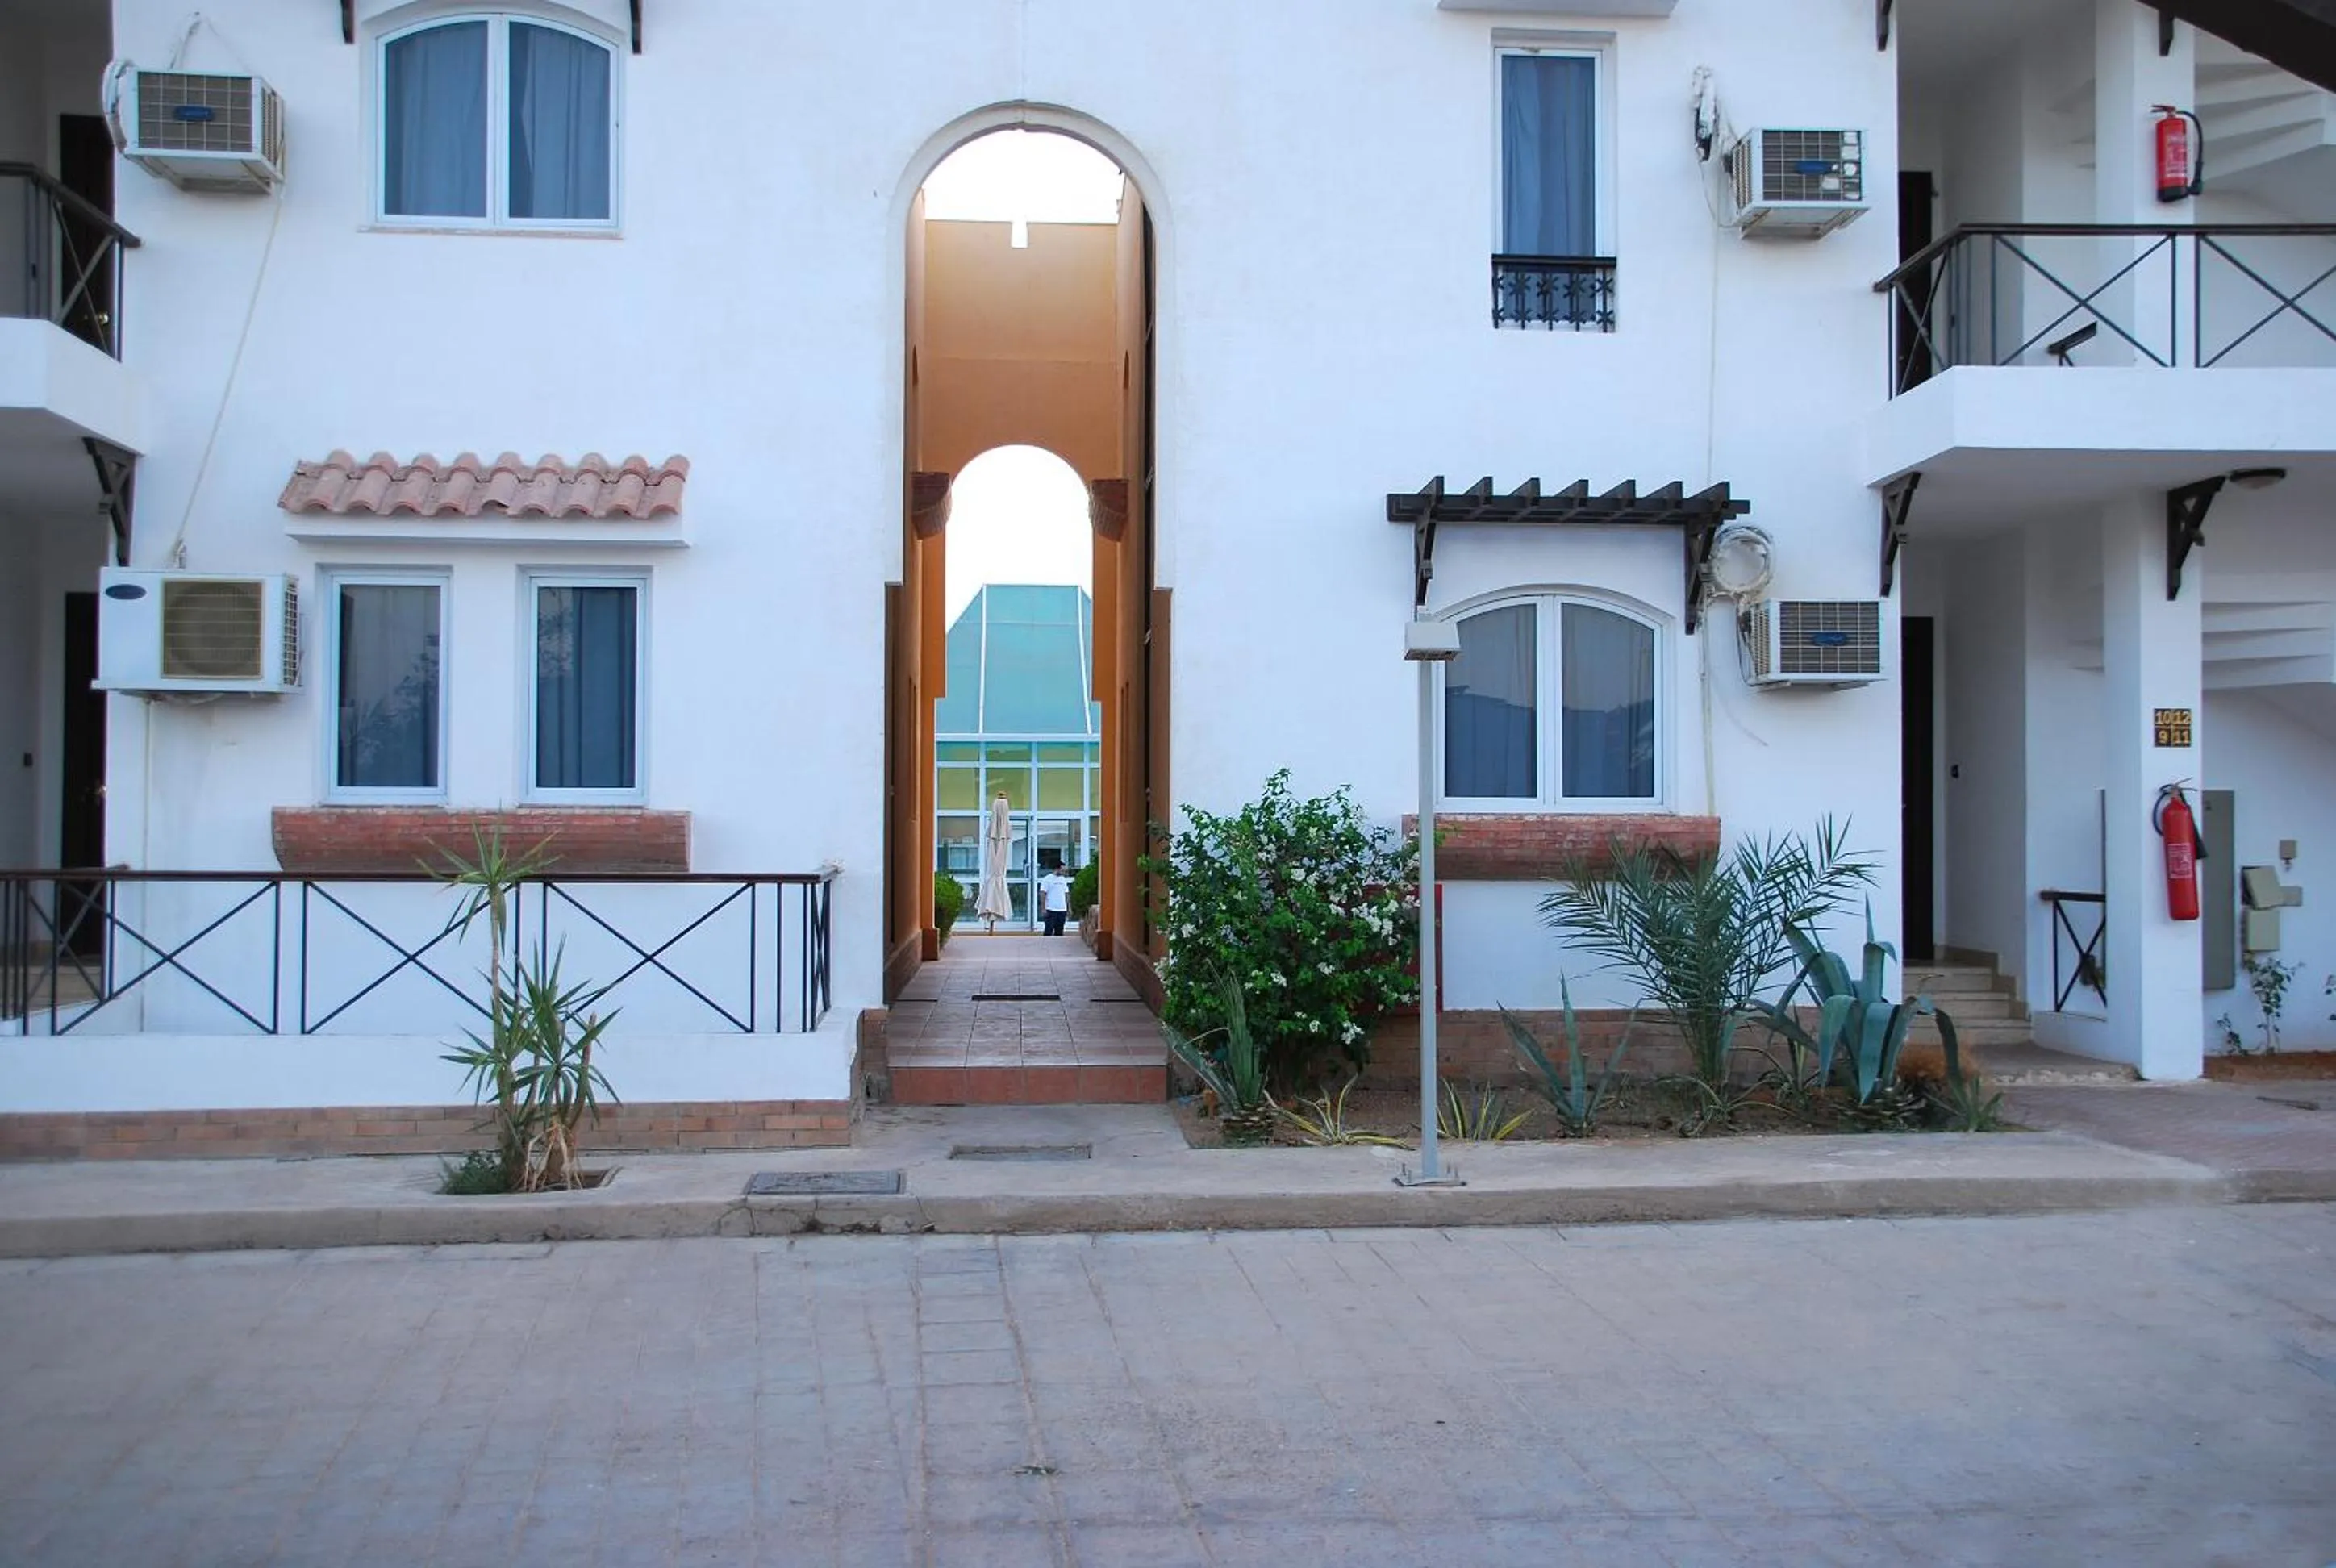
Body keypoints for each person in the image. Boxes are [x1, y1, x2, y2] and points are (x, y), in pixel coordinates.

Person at [1036, 864, 1073, 936]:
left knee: (1059, 931)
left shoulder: (1063, 880)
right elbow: (1043, 893)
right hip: (1051, 909)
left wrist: (1069, 908)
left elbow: (1066, 894)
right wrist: (1043, 908)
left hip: (1062, 909)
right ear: (1057, 869)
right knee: (1048, 931)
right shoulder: (1048, 879)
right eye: (1063, 871)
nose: (1064, 873)